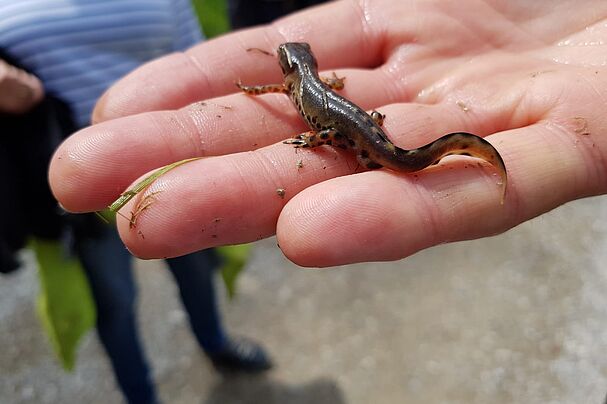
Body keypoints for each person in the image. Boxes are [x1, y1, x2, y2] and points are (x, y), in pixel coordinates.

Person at [49, 0, 607, 268]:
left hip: (354, 129)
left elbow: (296, 101)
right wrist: (253, 87)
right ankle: (398, 143)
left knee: (375, 148)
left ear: (293, 69)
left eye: (285, 64)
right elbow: (284, 90)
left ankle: (438, 152)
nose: (285, 68)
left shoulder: (302, 90)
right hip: (360, 120)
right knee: (380, 141)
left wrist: (309, 135)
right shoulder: (307, 84)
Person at [0, 1, 271, 403]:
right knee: (115, 302)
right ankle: (139, 396)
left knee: (197, 270)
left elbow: (198, 61)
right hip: (77, 181)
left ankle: (215, 343)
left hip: (172, 163)